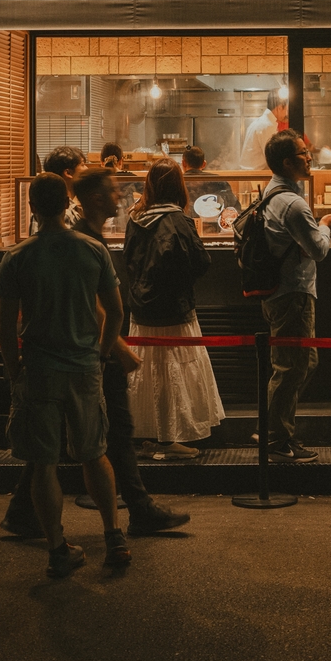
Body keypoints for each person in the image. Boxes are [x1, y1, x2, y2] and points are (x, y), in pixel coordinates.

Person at [3, 170, 192, 547]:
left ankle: (26, 515)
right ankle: (127, 520)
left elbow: (8, 324)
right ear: (89, 198)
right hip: (89, 357)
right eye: (110, 191)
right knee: (109, 435)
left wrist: (15, 373)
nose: (118, 196)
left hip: (55, 360)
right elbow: (105, 309)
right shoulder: (86, 244)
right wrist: (113, 352)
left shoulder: (27, 254)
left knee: (56, 442)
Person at [0, 172, 135, 578]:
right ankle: (113, 538)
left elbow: (6, 328)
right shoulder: (92, 251)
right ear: (66, 204)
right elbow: (116, 313)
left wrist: (13, 371)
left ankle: (58, 547)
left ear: (32, 207)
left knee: (43, 463)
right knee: (94, 453)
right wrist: (102, 354)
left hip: (39, 368)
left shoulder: (17, 257)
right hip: (84, 367)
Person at [123, 159, 225, 458]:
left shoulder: (135, 218)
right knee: (174, 372)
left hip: (140, 310)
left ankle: (147, 436)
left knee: (147, 373)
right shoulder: (179, 220)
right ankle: (170, 441)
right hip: (174, 309)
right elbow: (200, 261)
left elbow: (128, 260)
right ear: (178, 185)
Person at [260, 129, 331, 462]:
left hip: (282, 292)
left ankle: (274, 428)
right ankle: (276, 439)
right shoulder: (292, 203)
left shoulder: (272, 192)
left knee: (303, 362)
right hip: (293, 294)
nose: (309, 157)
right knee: (290, 367)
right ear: (288, 162)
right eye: (304, 153)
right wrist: (325, 226)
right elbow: (318, 250)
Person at [237, 93, 289, 173]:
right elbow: (272, 158)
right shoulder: (268, 125)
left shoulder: (261, 122)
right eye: (286, 109)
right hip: (255, 176)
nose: (286, 114)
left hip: (249, 175)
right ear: (279, 108)